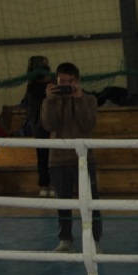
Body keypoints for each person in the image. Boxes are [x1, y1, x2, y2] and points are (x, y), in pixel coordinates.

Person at [40, 62, 100, 253]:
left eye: (70, 81)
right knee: (62, 203)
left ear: (78, 81)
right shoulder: (49, 100)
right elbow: (49, 125)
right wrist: (50, 101)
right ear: (56, 82)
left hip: (84, 158)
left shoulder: (89, 99)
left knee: (91, 203)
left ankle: (94, 241)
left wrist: (79, 99)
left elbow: (88, 124)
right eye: (62, 81)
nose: (66, 85)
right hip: (58, 159)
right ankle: (65, 240)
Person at [22, 56, 53, 197]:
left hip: (50, 125)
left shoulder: (49, 87)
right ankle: (44, 184)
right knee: (43, 156)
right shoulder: (33, 88)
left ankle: (50, 184)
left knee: (51, 156)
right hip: (39, 126)